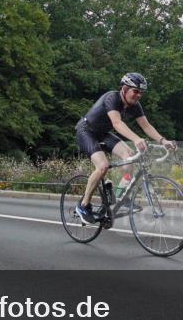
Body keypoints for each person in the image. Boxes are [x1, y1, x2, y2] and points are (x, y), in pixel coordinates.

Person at [73, 73, 176, 223]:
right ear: (124, 88)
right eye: (135, 91)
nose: (139, 95)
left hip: (103, 133)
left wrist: (163, 140)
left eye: (141, 92)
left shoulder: (135, 105)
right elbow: (117, 123)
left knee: (129, 157)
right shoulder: (112, 98)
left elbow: (146, 126)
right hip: (86, 131)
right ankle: (83, 206)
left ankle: (120, 195)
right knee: (103, 166)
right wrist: (136, 138)